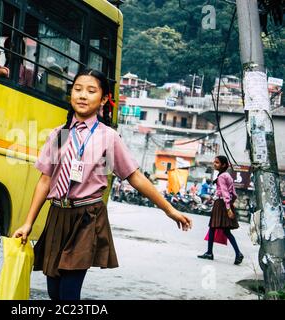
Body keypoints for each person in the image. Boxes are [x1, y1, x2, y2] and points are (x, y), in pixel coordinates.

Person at [12, 69, 192, 300]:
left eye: (91, 91)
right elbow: (45, 180)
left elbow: (134, 176)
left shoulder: (108, 137)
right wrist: (28, 224)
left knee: (68, 294)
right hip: (58, 215)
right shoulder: (61, 135)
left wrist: (169, 209)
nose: (82, 95)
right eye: (77, 89)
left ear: (104, 99)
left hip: (87, 217)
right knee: (54, 292)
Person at [198, 155, 244, 265]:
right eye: (214, 162)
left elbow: (225, 193)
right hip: (224, 203)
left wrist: (228, 208)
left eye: (217, 162)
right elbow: (234, 194)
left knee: (214, 228)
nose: (214, 164)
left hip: (221, 204)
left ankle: (211, 253)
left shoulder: (222, 176)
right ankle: (237, 253)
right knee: (224, 230)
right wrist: (230, 205)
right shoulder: (227, 175)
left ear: (223, 165)